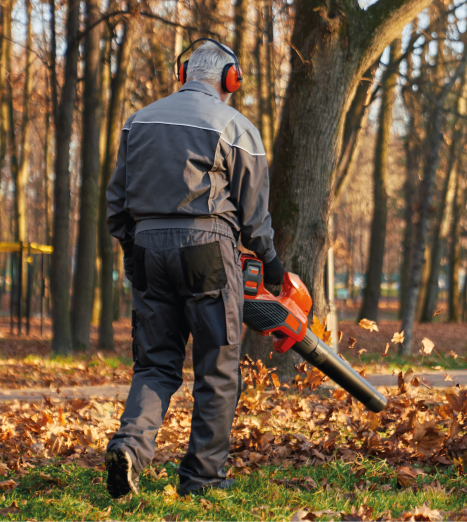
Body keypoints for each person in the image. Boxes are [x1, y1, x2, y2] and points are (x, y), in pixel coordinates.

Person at [105, 40, 284, 498]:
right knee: (217, 367)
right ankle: (202, 478)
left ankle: (129, 447)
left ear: (183, 71)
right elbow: (254, 216)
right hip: (206, 248)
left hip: (147, 247)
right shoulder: (235, 127)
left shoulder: (137, 121)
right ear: (230, 79)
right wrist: (272, 264)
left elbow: (116, 205)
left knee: (155, 364)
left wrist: (133, 253)